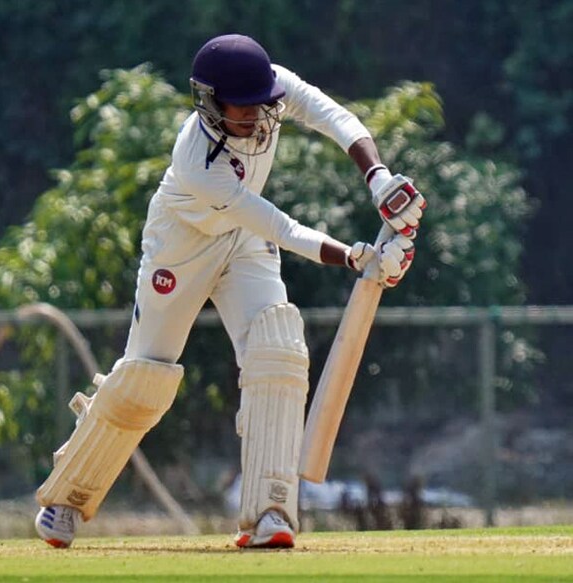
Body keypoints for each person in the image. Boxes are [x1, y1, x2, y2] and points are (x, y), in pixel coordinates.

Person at [33, 33, 426, 549]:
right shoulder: (198, 161)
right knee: (144, 381)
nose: (257, 120)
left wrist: (377, 177)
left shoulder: (273, 88)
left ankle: (270, 514)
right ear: (211, 104)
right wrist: (356, 257)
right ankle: (66, 496)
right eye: (242, 111)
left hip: (242, 244)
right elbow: (280, 227)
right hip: (182, 244)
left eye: (261, 107)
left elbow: (335, 117)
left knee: (278, 350)